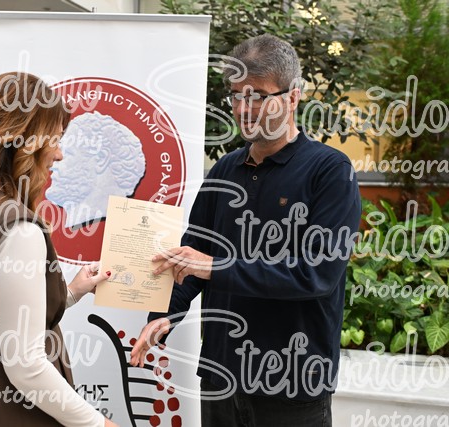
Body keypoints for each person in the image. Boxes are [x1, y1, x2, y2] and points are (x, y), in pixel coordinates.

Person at [131, 34, 361, 427]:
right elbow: (192, 255)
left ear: (293, 97)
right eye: (236, 96)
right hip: (220, 379)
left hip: (292, 385)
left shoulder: (330, 172)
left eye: (257, 96)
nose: (242, 109)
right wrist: (165, 315)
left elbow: (316, 274)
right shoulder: (225, 171)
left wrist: (215, 267)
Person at [0, 72, 119, 427]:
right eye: (55, 140)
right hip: (10, 410)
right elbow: (26, 365)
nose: (59, 154)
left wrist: (71, 291)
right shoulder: (19, 229)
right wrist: (99, 424)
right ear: (25, 142)